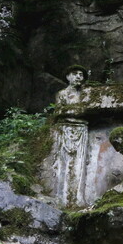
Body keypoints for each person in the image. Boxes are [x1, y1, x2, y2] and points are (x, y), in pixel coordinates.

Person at [52, 65, 90, 206]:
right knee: (63, 163)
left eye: (81, 74)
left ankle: (78, 198)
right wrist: (76, 112)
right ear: (68, 76)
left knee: (80, 164)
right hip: (65, 130)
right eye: (75, 73)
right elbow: (58, 113)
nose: (79, 76)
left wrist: (73, 112)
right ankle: (62, 197)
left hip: (81, 129)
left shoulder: (86, 94)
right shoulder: (62, 94)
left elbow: (87, 111)